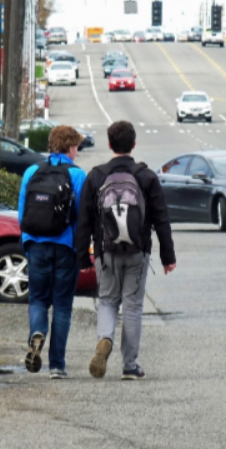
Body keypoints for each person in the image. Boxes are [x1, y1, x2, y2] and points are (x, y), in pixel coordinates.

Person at [76, 121, 176, 380]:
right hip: (137, 250)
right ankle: (130, 365)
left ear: (109, 145)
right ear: (134, 144)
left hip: (105, 252)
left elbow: (84, 219)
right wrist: (168, 257)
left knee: (108, 300)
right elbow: (161, 219)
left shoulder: (96, 175)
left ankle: (105, 339)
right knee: (132, 306)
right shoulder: (146, 177)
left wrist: (82, 257)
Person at [19, 125, 87, 379]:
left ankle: (37, 333)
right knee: (62, 306)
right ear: (70, 146)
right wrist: (82, 250)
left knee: (37, 299)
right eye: (76, 146)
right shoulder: (77, 175)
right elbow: (83, 217)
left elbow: (22, 212)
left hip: (36, 245)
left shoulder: (31, 172)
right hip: (65, 247)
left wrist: (28, 243)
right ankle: (57, 365)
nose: (77, 151)